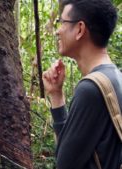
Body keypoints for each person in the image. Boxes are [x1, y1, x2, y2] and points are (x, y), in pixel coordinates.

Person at [42, 0, 122, 168]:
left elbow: (64, 165)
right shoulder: (114, 77)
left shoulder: (91, 90)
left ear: (80, 29)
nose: (57, 31)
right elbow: (69, 151)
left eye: (62, 22)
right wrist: (57, 95)